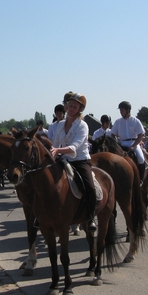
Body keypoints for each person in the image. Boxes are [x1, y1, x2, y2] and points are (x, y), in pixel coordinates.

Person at [49, 93, 97, 232]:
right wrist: (52, 151)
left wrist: (57, 150)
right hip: (63, 159)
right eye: (70, 105)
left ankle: (91, 217)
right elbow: (55, 143)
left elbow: (74, 147)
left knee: (89, 186)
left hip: (80, 160)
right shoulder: (60, 125)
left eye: (75, 107)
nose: (71, 108)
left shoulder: (83, 126)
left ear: (79, 109)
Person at [110, 101, 146, 180]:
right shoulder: (118, 122)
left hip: (133, 143)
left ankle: (141, 179)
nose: (120, 112)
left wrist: (134, 146)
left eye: (122, 110)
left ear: (128, 110)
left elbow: (140, 135)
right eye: (120, 110)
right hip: (121, 143)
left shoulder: (135, 121)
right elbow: (112, 134)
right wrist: (115, 143)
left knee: (141, 158)